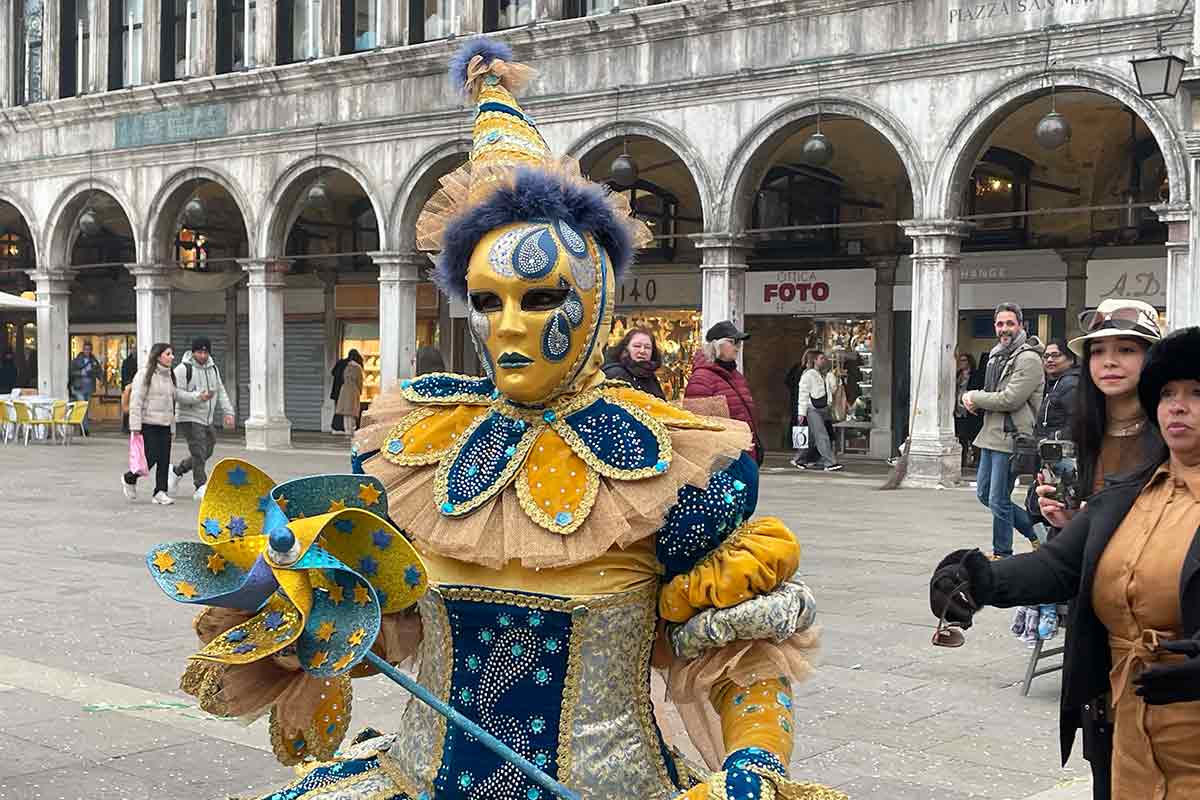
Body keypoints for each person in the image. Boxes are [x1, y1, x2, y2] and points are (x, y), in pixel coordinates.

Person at [162, 39, 838, 800]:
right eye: (488, 301)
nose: (509, 325)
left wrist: (755, 763)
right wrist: (297, 618)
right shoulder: (417, 449)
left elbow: (742, 657)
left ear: (598, 301)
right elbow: (378, 628)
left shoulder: (675, 466)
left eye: (540, 297)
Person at [929, 325, 1200, 800]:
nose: (1178, 405)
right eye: (1168, 393)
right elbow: (1058, 565)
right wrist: (979, 576)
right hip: (1125, 730)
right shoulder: (1129, 492)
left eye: (1198, 393)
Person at [961, 302, 1045, 559]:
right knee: (985, 494)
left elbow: (1011, 398)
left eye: (1010, 323)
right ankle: (1036, 534)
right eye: (1000, 324)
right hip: (991, 432)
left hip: (1012, 435)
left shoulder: (1028, 358)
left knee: (998, 499)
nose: (1004, 328)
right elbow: (996, 395)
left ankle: (1003, 553)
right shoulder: (998, 354)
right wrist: (979, 403)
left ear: (1021, 325)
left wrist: (974, 396)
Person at [685, 320, 764, 464]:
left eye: (739, 343)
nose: (738, 347)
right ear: (717, 344)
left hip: (744, 455)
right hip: (722, 460)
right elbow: (697, 428)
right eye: (733, 342)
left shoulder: (736, 376)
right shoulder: (702, 378)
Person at [168, 337, 235, 501]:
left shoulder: (213, 369)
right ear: (193, 352)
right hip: (188, 417)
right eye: (199, 352)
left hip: (207, 418)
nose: (203, 355)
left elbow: (221, 391)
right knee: (198, 450)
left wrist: (229, 412)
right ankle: (200, 485)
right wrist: (198, 396)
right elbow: (176, 393)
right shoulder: (183, 369)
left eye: (205, 352)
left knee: (208, 449)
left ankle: (177, 471)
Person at [1022, 339, 1080, 529]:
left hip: (1062, 461)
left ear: (1070, 358)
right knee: (1039, 507)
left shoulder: (1071, 384)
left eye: (1056, 355)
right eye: (1046, 356)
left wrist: (1049, 440)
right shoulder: (1058, 383)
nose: (1049, 360)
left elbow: (1077, 423)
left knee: (1047, 509)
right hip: (1052, 459)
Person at [122, 343, 180, 505]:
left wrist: (172, 427)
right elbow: (136, 402)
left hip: (165, 424)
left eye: (172, 354)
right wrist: (135, 427)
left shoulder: (170, 376)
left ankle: (160, 492)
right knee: (150, 458)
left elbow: (172, 404)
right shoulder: (144, 374)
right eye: (168, 354)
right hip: (148, 423)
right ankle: (129, 478)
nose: (172, 357)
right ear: (158, 356)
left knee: (164, 459)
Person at [794, 350, 842, 472]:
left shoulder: (826, 374)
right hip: (812, 408)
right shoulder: (808, 375)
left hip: (824, 408)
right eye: (821, 358)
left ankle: (799, 459)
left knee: (811, 437)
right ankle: (829, 462)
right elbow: (803, 394)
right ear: (814, 360)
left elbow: (833, 390)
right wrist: (801, 413)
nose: (824, 360)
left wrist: (832, 379)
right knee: (822, 435)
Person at [602, 327, 666, 399]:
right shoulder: (615, 373)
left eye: (647, 347)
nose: (642, 351)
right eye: (637, 346)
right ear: (626, 349)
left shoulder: (650, 377)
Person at [954, 353, 983, 469]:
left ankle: (976, 460)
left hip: (971, 410)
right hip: (958, 409)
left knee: (973, 436)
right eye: (960, 360)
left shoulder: (976, 375)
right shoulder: (957, 375)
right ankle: (962, 461)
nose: (961, 362)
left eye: (964, 360)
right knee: (961, 437)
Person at [334, 349, 365, 436]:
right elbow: (359, 381)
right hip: (353, 390)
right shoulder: (358, 368)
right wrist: (360, 391)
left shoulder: (347, 366)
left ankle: (347, 429)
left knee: (345, 412)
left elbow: (343, 377)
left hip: (344, 390)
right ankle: (352, 429)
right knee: (352, 412)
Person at [330, 353, 350, 432]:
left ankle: (337, 426)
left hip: (336, 390)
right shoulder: (350, 365)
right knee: (344, 409)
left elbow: (332, 372)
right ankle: (341, 426)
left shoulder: (340, 362)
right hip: (344, 390)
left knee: (338, 409)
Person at [120, 351, 138, 433]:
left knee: (133, 407)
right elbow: (124, 375)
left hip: (134, 386)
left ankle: (129, 426)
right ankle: (125, 426)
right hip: (128, 386)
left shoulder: (138, 360)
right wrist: (126, 385)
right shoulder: (127, 362)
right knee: (127, 407)